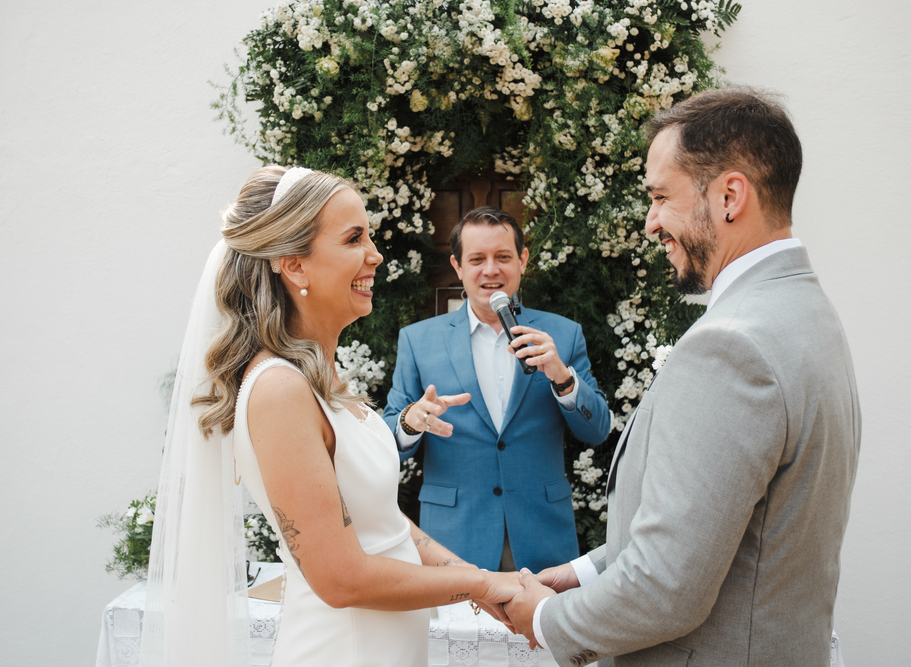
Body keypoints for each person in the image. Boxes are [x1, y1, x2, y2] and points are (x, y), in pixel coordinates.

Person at [503, 88, 862, 667]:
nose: (651, 224)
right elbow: (727, 529)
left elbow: (666, 587)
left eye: (661, 197)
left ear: (729, 196)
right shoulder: (808, 314)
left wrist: (545, 620)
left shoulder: (733, 345)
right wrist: (581, 571)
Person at [139, 166, 523, 667]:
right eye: (353, 238)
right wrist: (481, 583)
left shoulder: (319, 375)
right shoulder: (279, 389)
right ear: (295, 265)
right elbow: (341, 578)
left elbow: (384, 525)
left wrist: (479, 580)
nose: (375, 254)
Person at [383, 206, 611, 574]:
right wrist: (411, 422)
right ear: (458, 266)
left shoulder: (564, 335)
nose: (491, 270)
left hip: (542, 540)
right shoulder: (418, 340)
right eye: (477, 259)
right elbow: (390, 443)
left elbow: (597, 430)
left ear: (522, 260)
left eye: (503, 257)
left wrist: (562, 377)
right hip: (454, 541)